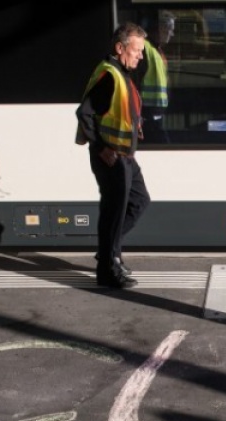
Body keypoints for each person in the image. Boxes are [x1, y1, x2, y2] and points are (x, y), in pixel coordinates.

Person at [76, 22, 150, 289]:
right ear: (120, 48)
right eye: (137, 50)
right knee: (113, 212)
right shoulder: (109, 75)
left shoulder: (121, 72)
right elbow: (84, 113)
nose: (140, 56)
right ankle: (108, 269)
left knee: (139, 201)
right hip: (111, 157)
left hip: (125, 155)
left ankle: (109, 251)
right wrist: (101, 148)